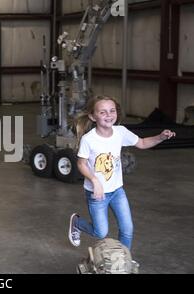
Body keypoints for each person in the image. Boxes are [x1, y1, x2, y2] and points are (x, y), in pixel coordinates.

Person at [68, 95, 176, 250]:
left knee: (127, 229)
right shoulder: (88, 139)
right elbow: (81, 164)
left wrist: (161, 137)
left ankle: (124, 261)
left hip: (117, 190)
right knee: (100, 232)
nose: (109, 115)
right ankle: (77, 223)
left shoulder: (120, 132)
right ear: (93, 116)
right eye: (103, 112)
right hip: (97, 194)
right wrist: (95, 180)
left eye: (112, 111)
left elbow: (143, 143)